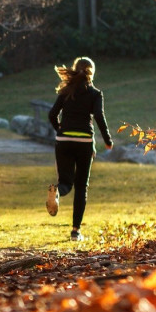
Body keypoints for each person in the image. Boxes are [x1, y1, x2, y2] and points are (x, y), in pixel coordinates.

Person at [45, 57, 112, 241]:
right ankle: (75, 232)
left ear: (75, 70)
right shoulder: (95, 94)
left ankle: (57, 191)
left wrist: (60, 129)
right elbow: (99, 116)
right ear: (92, 73)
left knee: (66, 182)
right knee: (81, 186)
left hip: (64, 140)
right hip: (84, 143)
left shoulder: (66, 91)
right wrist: (107, 140)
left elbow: (52, 114)